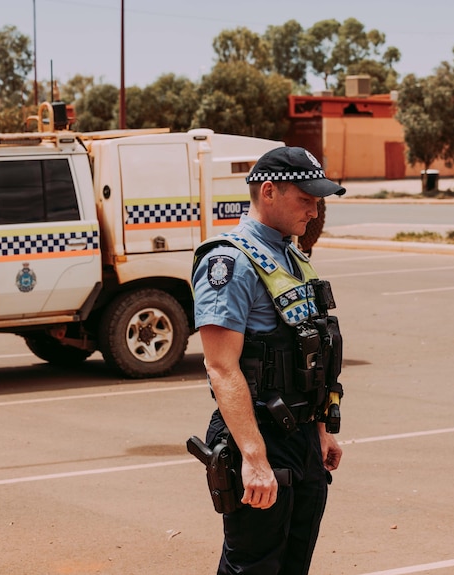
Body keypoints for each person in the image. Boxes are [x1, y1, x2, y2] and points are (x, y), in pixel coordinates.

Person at [192, 146, 345, 575]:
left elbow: (311, 352)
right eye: (306, 198)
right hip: (258, 434)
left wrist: (320, 430)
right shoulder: (230, 261)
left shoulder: (292, 256)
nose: (315, 211)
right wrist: (254, 458)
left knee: (294, 564)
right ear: (269, 191)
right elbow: (222, 367)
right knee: (254, 566)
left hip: (300, 437)